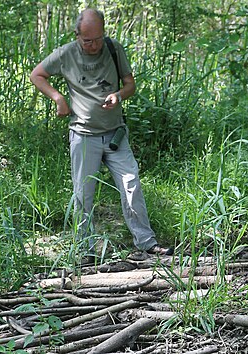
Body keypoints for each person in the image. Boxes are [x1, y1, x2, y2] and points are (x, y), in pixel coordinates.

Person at [29, 8, 173, 257]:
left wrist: (118, 95)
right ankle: (85, 251)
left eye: (97, 39)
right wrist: (58, 97)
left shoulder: (114, 49)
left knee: (132, 185)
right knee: (83, 194)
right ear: (77, 35)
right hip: (83, 135)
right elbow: (37, 75)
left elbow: (130, 85)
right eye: (87, 40)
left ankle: (146, 242)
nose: (93, 45)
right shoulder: (66, 54)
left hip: (115, 135)